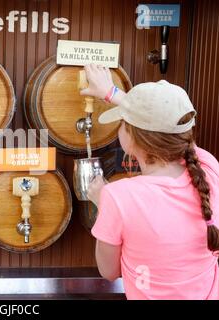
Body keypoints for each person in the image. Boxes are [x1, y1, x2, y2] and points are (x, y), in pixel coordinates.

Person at [81, 64, 219, 300]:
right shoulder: (209, 169)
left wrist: (101, 203)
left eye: (122, 123)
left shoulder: (117, 196)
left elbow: (109, 271)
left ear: (131, 136)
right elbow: (174, 131)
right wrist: (112, 93)